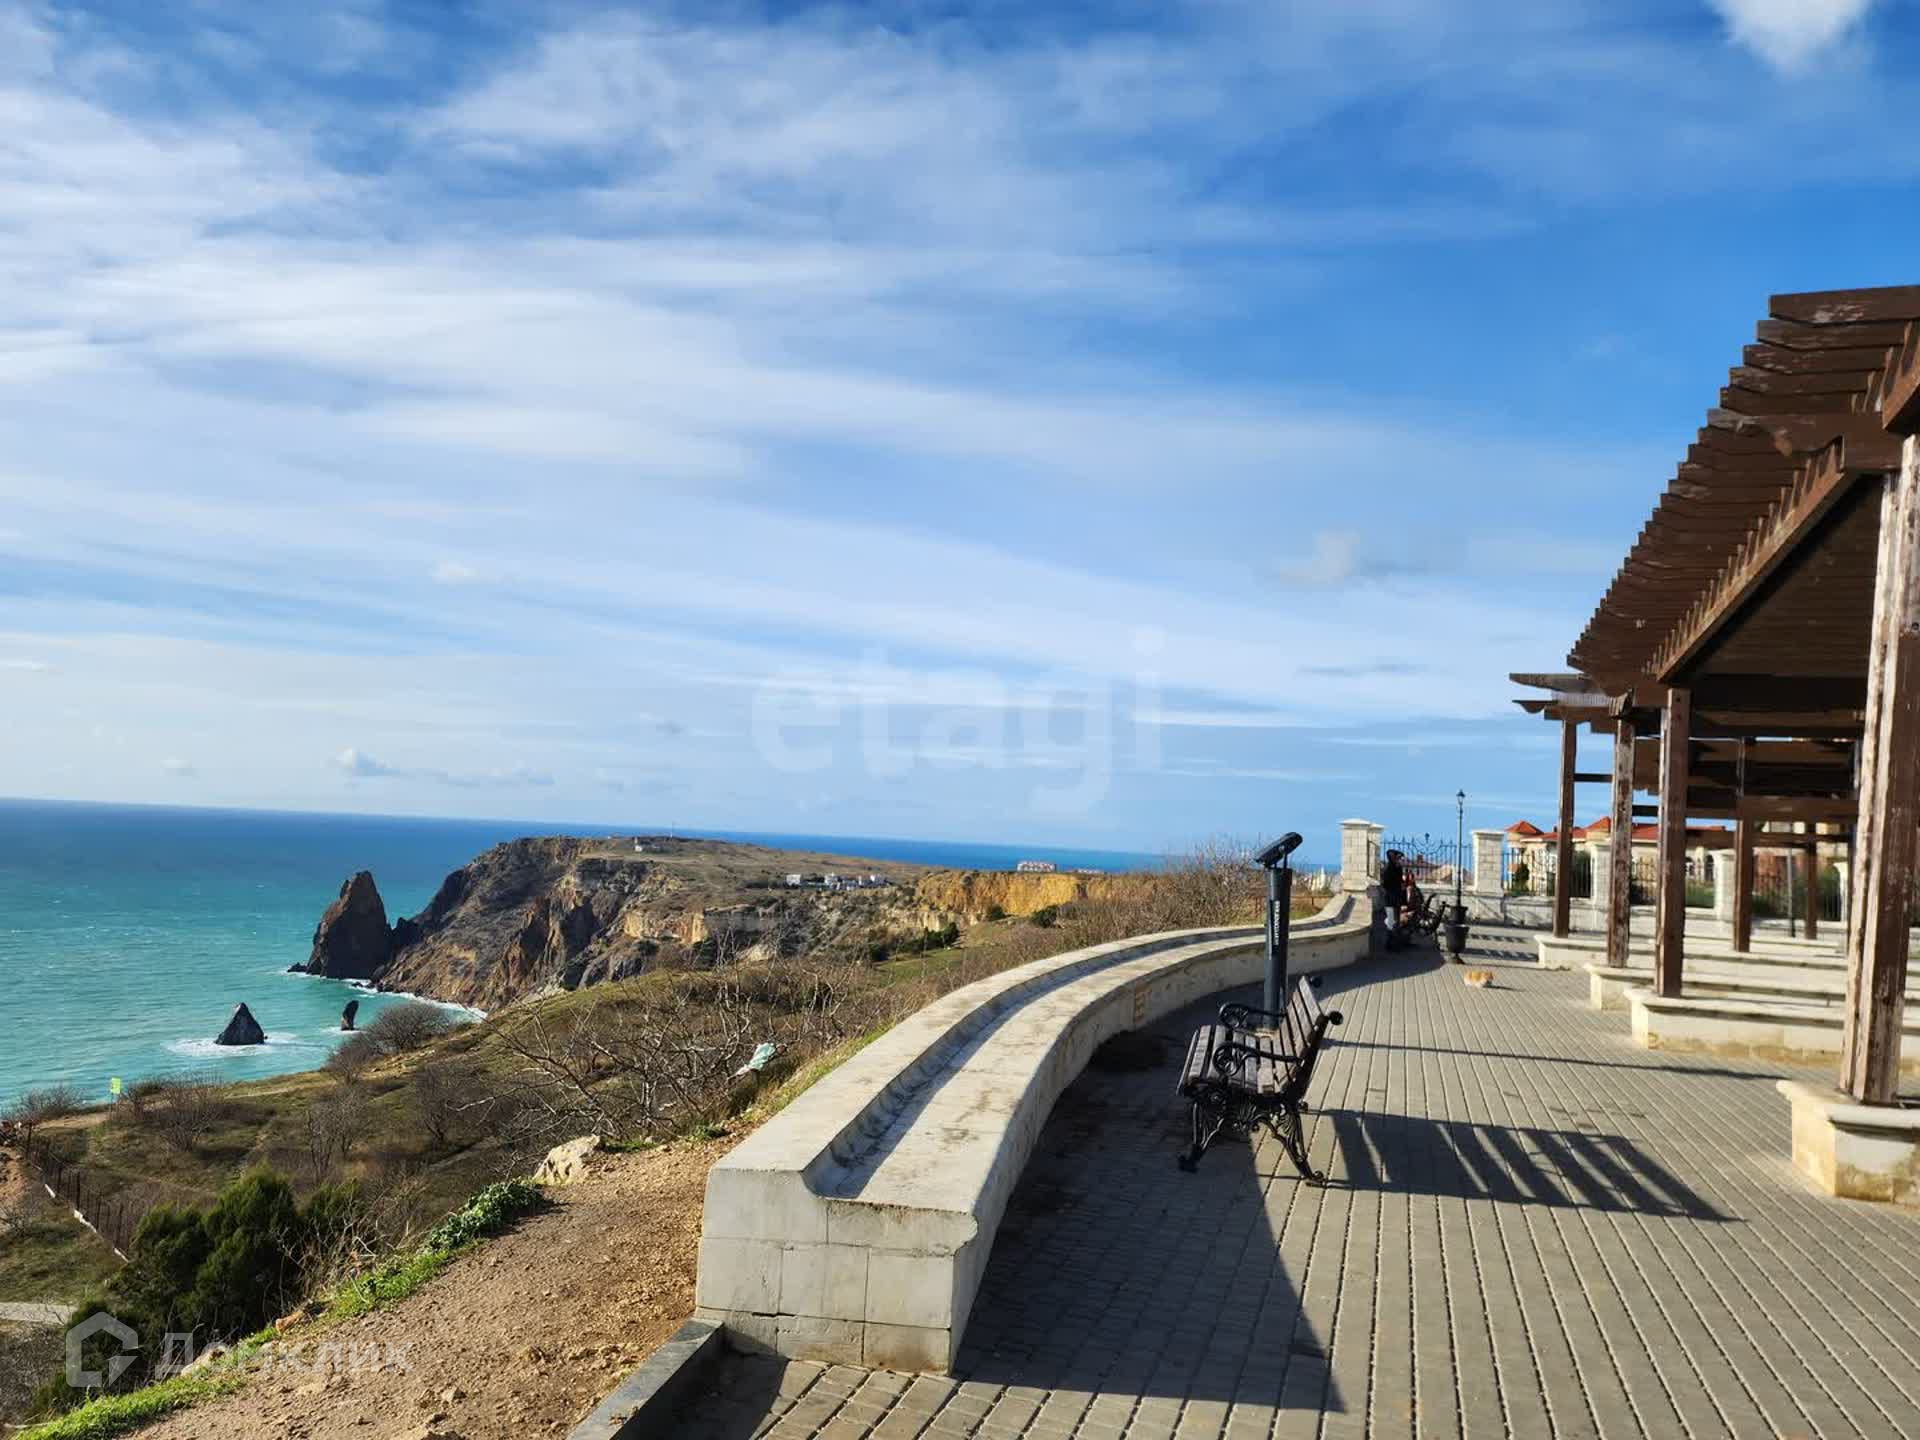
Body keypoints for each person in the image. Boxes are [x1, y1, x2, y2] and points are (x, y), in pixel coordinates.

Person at [1381, 849, 1407, 948]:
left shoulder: (1398, 868)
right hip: (1390, 898)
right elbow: (1385, 884)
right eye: (1398, 858)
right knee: (1391, 921)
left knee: (1396, 921)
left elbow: (1400, 881)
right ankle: (1390, 943)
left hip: (1396, 898)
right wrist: (1394, 888)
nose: (1399, 860)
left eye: (1400, 858)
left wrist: (1402, 885)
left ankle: (1396, 942)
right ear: (1393, 858)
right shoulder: (1388, 868)